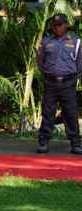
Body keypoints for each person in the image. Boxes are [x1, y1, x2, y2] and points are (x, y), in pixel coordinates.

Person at [36, 13, 82, 155]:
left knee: (70, 113)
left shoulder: (76, 41)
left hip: (68, 83)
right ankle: (43, 142)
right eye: (55, 26)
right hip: (50, 83)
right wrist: (48, 73)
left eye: (60, 25)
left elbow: (80, 62)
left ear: (66, 25)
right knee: (48, 113)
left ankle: (75, 144)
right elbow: (40, 61)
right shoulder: (46, 42)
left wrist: (73, 77)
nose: (57, 28)